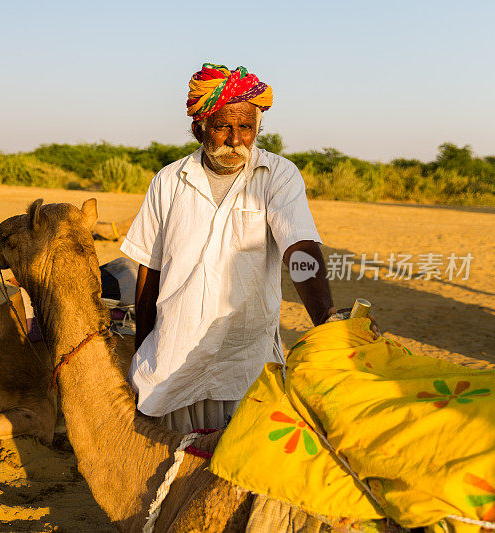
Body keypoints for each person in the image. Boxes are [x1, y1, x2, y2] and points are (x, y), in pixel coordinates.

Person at [120, 63, 337, 433]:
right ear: (198, 127)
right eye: (223, 127)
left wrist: (327, 320)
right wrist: (143, 350)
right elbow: (149, 270)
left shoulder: (278, 176)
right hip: (173, 359)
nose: (236, 140)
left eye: (247, 128)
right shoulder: (169, 180)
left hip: (245, 361)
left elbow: (299, 248)